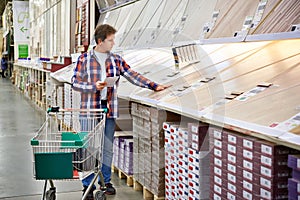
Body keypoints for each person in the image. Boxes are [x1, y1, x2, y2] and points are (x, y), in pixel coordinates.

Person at [72, 24, 170, 199]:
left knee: (107, 147)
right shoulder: (84, 59)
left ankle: (106, 182)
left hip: (108, 109)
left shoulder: (116, 59)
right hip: (89, 110)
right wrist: (93, 86)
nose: (113, 43)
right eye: (110, 40)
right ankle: (87, 185)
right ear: (100, 41)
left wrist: (153, 85)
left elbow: (132, 74)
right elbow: (75, 83)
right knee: (89, 147)